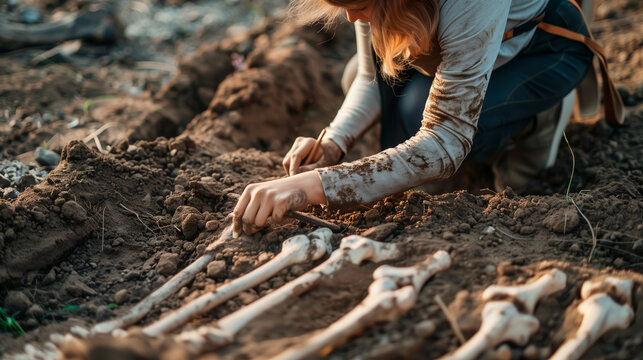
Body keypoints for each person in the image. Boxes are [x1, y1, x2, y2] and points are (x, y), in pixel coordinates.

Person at [232, 0, 620, 236]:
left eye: (360, 4)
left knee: (458, 135)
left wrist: (314, 187)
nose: (351, 17)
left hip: (539, 50)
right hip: (465, 51)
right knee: (363, 80)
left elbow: (446, 138)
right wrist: (334, 143)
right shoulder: (382, 4)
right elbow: (370, 78)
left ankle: (541, 122)